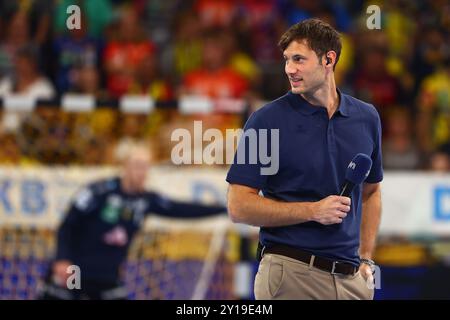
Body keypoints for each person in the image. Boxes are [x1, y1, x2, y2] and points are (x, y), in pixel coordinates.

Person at [226, 18, 383, 300]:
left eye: (299, 59)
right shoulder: (265, 120)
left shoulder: (367, 117)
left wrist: (367, 258)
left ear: (328, 59)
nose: (289, 69)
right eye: (286, 60)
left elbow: (371, 192)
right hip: (290, 273)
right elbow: (238, 206)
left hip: (352, 282)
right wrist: (312, 211)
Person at [39, 142, 226, 300]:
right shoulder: (98, 192)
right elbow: (67, 226)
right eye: (137, 165)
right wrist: (62, 259)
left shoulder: (145, 200)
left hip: (106, 279)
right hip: (74, 274)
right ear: (125, 167)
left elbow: (180, 209)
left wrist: (224, 208)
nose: (142, 172)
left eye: (145, 166)